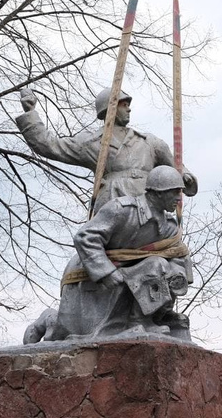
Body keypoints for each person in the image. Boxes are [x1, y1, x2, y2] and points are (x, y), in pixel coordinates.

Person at [24, 165, 193, 343]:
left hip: (136, 279)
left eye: (180, 192)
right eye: (174, 192)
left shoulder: (169, 225)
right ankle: (48, 319)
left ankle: (145, 319)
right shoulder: (121, 209)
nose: (178, 198)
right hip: (91, 273)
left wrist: (176, 277)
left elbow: (177, 253)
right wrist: (106, 272)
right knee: (67, 330)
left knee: (160, 265)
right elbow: (85, 237)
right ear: (157, 193)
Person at [16, 87, 197, 213]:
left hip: (147, 202)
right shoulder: (92, 143)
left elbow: (174, 167)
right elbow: (50, 145)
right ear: (110, 108)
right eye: (123, 105)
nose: (129, 109)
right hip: (112, 202)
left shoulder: (149, 142)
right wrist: (30, 112)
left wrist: (185, 175)